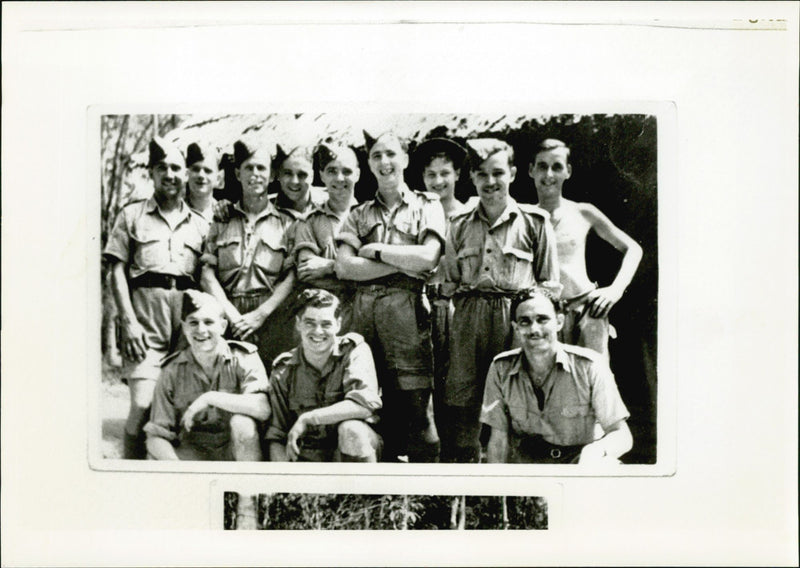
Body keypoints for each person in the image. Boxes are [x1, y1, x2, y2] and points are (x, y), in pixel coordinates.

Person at [444, 138, 560, 463]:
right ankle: (467, 485)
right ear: (472, 178)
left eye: (497, 172)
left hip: (516, 320)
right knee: (464, 403)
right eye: (482, 174)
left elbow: (549, 285)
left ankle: (514, 486)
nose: (490, 182)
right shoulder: (457, 225)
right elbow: (451, 281)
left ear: (511, 173)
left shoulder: (535, 223)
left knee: (516, 400)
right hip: (468, 321)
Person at [335, 131, 446, 462]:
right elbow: (344, 268)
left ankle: (428, 501)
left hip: (407, 318)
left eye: (391, 154)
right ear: (369, 163)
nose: (384, 162)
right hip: (363, 319)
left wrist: (378, 251)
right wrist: (401, 264)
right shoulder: (358, 214)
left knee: (418, 415)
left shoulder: (427, 205)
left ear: (405, 159)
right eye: (376, 156)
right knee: (365, 407)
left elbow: (428, 258)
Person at [104, 136, 209, 459]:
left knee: (178, 412)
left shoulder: (201, 225)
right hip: (144, 325)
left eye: (176, 167)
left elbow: (206, 279)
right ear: (151, 172)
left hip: (184, 328)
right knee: (142, 403)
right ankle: (129, 466)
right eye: (161, 167)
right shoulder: (132, 215)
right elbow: (116, 271)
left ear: (186, 174)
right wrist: (129, 322)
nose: (170, 174)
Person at [481, 287, 633, 464]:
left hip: (581, 463)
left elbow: (621, 435)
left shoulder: (589, 366)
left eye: (542, 319)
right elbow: (498, 440)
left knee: (607, 466)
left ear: (559, 322)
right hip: (529, 466)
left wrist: (596, 451)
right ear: (515, 328)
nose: (534, 329)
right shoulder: (501, 369)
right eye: (525, 322)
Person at [529, 139, 643, 359]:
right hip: (544, 316)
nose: (549, 174)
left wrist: (615, 290)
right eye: (542, 166)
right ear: (531, 170)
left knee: (594, 381)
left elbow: (633, 249)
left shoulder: (582, 212)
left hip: (587, 312)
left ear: (568, 171)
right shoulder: (524, 218)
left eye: (557, 166)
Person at [200, 137, 296, 371]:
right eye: (248, 168)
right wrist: (233, 317)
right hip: (229, 315)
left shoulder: (288, 223)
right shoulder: (221, 220)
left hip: (272, 318)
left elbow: (292, 275)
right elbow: (206, 274)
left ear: (272, 175)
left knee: (275, 389)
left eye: (261, 168)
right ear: (237, 173)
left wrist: (261, 314)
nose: (255, 174)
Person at [144, 291, 270, 461]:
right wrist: (179, 468)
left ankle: (247, 486)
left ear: (223, 326)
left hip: (234, 450)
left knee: (243, 424)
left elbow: (262, 408)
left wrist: (210, 398)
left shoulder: (243, 357)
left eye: (208, 322)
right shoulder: (171, 370)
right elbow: (156, 435)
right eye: (193, 323)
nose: (201, 330)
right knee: (154, 455)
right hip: (192, 453)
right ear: (184, 327)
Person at [266, 289, 382, 462]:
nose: (318, 331)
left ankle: (362, 490)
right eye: (310, 323)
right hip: (308, 458)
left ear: (338, 324)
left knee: (351, 429)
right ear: (298, 324)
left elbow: (364, 405)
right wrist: (286, 482)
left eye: (326, 324)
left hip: (353, 453)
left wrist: (309, 418)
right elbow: (277, 435)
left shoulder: (354, 351)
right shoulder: (283, 369)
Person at [410, 137, 470, 462]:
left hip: (458, 309)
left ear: (458, 174)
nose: (438, 181)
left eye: (445, 173)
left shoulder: (470, 213)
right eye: (431, 174)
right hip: (422, 306)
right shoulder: (417, 213)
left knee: (456, 389)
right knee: (424, 388)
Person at [291, 140, 360, 333]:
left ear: (358, 174)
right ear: (321, 175)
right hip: (324, 320)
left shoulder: (369, 217)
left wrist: (329, 267)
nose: (339, 178)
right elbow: (307, 273)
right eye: (331, 171)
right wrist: (358, 272)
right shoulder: (308, 222)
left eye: (346, 171)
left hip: (365, 316)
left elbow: (380, 276)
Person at [184, 141, 221, 223]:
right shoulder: (174, 213)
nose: (201, 175)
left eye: (208, 171)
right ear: (186, 174)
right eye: (195, 169)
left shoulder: (228, 216)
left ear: (218, 178)